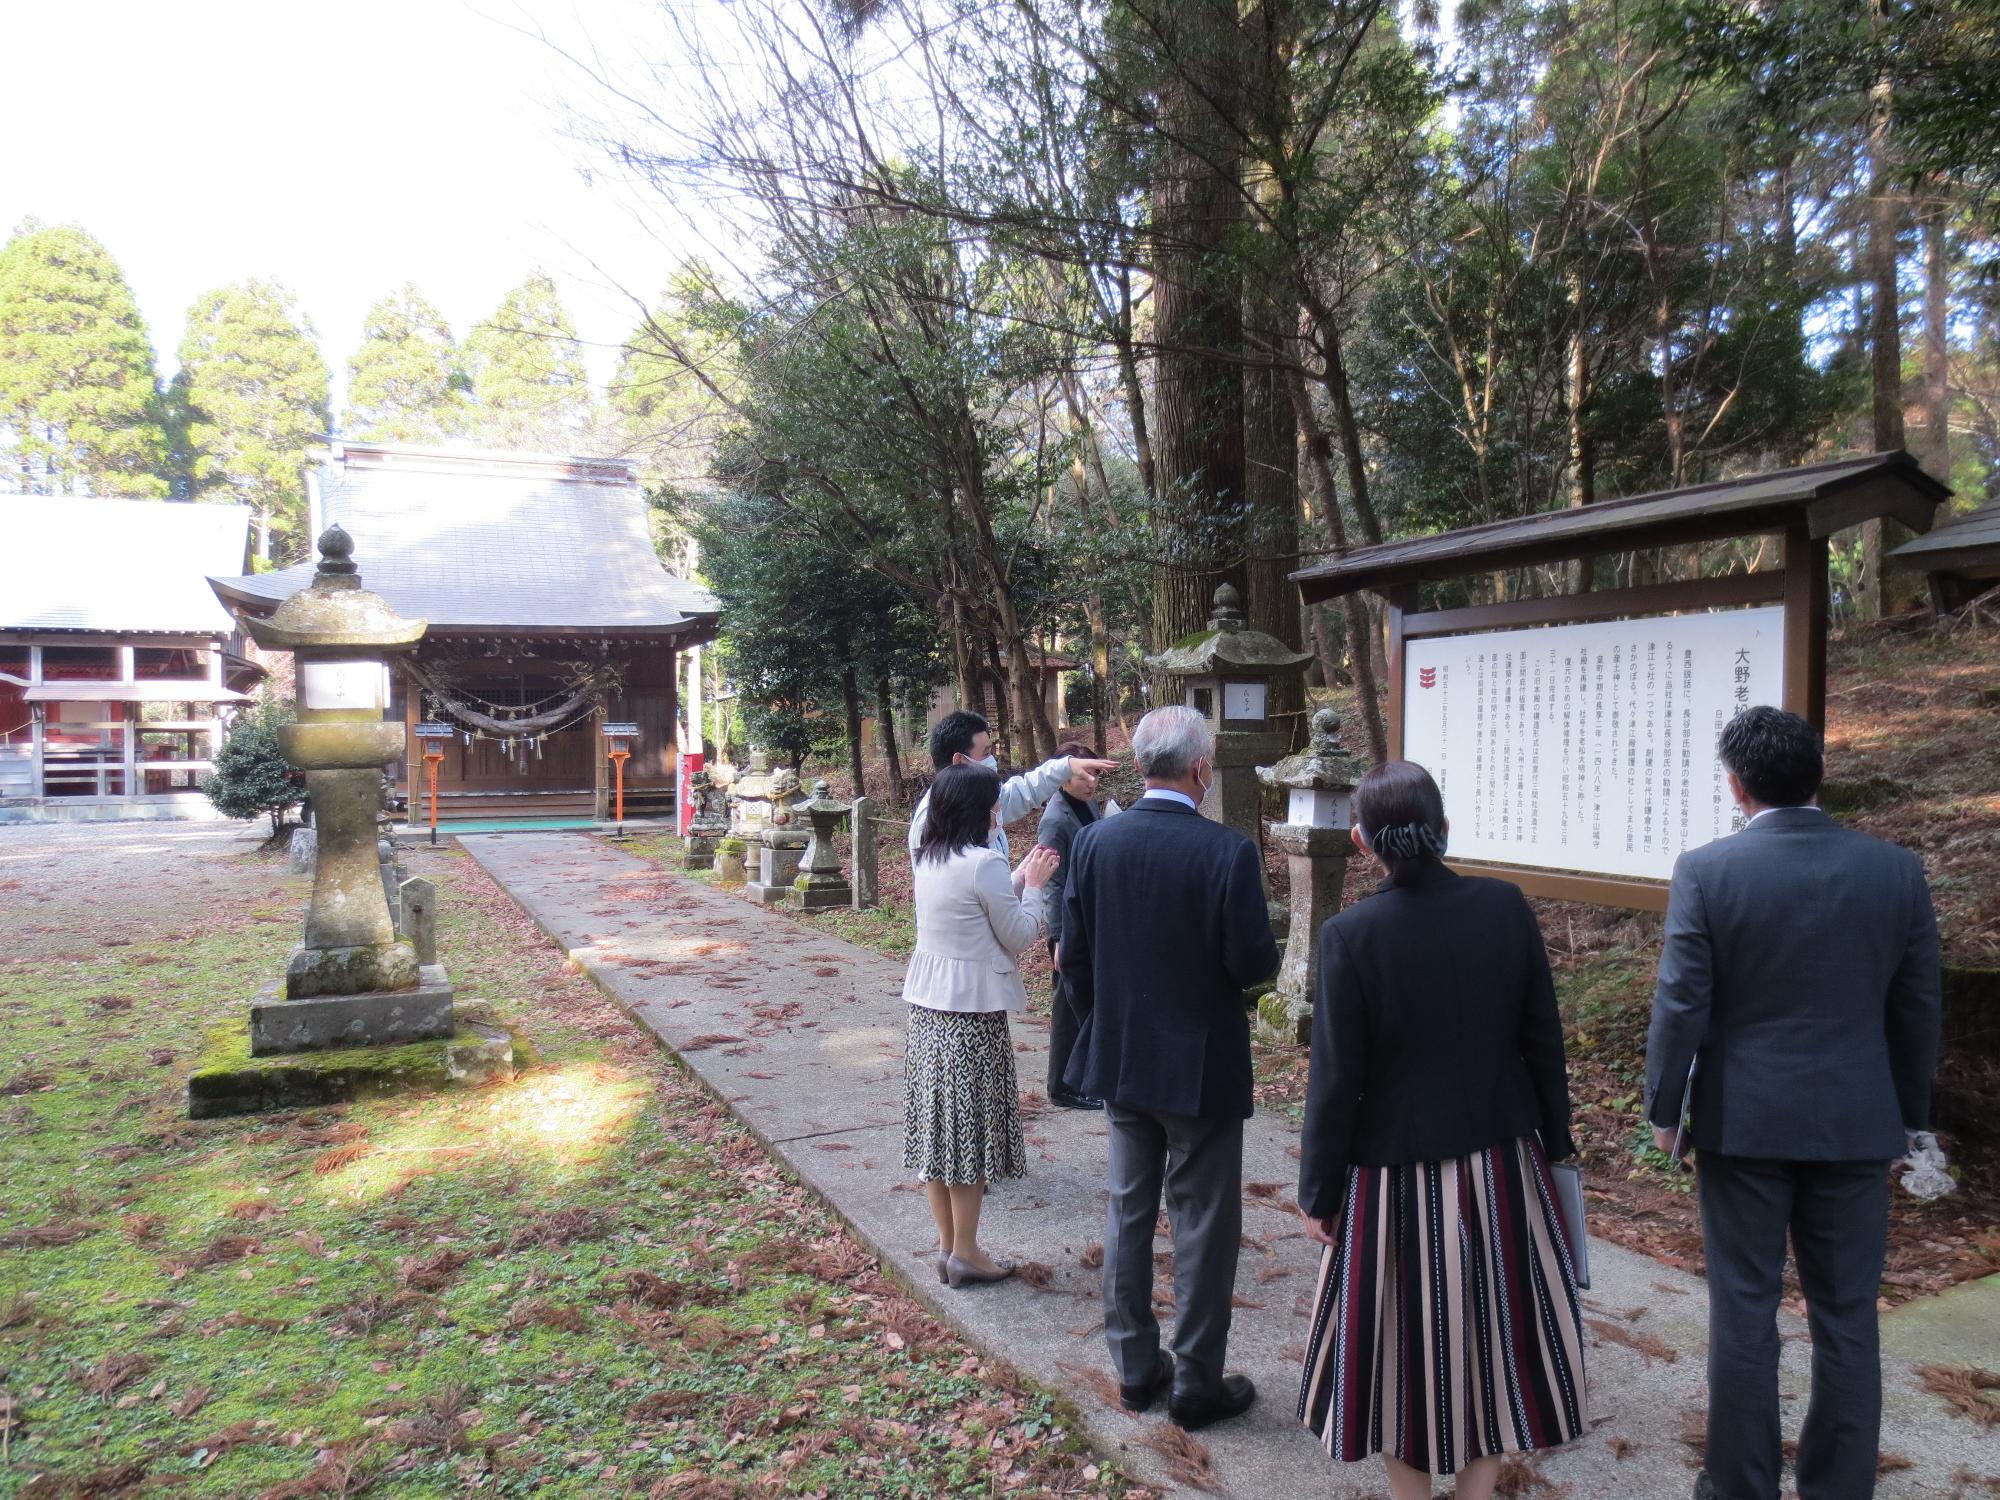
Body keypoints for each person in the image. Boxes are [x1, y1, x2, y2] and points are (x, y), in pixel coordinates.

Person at [1645, 706, 1941, 1500]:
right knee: (1848, 1314)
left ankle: (1740, 1486)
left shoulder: (1709, 870)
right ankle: (1839, 1487)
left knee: (1744, 1308)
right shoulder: (1895, 871)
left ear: (1737, 785)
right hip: (1856, 1120)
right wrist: (1908, 1120)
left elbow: (1681, 1004)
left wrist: (1665, 1111)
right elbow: (1916, 1009)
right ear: (1819, 775)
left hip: (1744, 1121)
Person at [1295, 760, 1586, 1500]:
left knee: (1402, 1351)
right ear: (1443, 828)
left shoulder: (1351, 935)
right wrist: (1556, 1146)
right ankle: (1477, 1491)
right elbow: (1542, 1040)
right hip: (1501, 1165)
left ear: (1362, 842)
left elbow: (1335, 1082)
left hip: (1393, 1175)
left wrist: (1319, 1191)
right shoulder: (1503, 907)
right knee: (1495, 1340)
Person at [1059, 705, 1280, 1430]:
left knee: (1128, 1208)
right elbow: (1252, 964)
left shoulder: (1096, 845)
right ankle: (1195, 1382)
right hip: (1201, 1064)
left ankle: (1132, 1369)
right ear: (1198, 768)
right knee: (1203, 1222)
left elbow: (1075, 962)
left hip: (1121, 1057)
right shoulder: (1227, 852)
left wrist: (1108, 1020)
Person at [903, 763, 1061, 1288]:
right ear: (977, 809)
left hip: (928, 1013)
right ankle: (968, 1251)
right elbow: (1017, 935)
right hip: (971, 1017)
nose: (999, 810)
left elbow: (973, 907)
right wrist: (1035, 886)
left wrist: (1016, 876)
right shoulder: (983, 863)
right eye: (993, 803)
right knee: (967, 1136)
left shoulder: (929, 857)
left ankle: (949, 1248)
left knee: (938, 1137)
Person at [907, 710, 1115, 865]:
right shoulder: (933, 819)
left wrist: (1067, 765)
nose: (992, 760)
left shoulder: (978, 800)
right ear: (960, 760)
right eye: (986, 753)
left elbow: (1025, 791)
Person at [1036, 740, 1119, 1110]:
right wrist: (1056, 938)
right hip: (1068, 924)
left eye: (1096, 774)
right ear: (1062, 776)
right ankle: (1061, 1087)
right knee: (1066, 1005)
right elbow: (1051, 882)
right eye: (1085, 774)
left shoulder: (1087, 804)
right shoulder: (1055, 819)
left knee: (1086, 1000)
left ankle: (1083, 1078)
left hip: (1091, 920)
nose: (1092, 781)